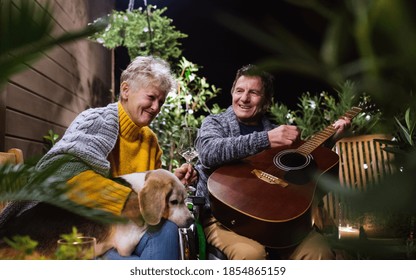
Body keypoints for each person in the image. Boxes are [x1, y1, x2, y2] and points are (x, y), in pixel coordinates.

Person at [0, 56, 197, 260]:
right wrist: (133, 202)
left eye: (161, 101)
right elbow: (67, 176)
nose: (156, 107)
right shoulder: (94, 121)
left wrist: (171, 185)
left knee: (166, 230)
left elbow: (149, 190)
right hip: (85, 230)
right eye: (151, 97)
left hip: (129, 230)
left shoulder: (151, 142)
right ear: (126, 90)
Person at [194, 64, 351, 260]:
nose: (244, 98)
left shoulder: (279, 134)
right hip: (224, 219)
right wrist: (266, 139)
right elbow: (209, 152)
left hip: (277, 222)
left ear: (267, 101)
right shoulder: (216, 123)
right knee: (252, 255)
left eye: (254, 92)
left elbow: (305, 172)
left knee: (319, 252)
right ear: (232, 92)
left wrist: (330, 140)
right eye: (239, 90)